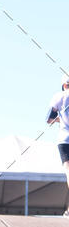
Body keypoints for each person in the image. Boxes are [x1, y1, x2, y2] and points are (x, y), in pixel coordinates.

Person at [46, 76, 69, 216]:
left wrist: (61, 119)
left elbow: (48, 119)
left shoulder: (59, 96)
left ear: (64, 85)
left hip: (64, 139)